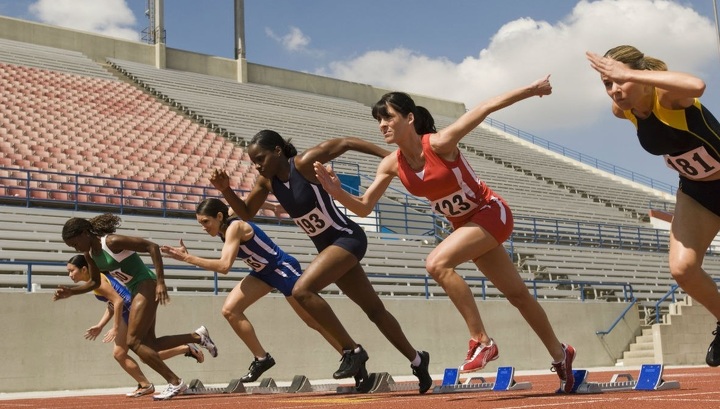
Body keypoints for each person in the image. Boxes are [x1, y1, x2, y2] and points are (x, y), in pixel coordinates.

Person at [312, 76, 576, 393]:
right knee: (517, 295)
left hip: (490, 212)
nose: (382, 125)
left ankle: (481, 341)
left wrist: (531, 90)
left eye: (389, 117)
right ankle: (561, 355)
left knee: (436, 263)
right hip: (466, 227)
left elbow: (485, 107)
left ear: (409, 118)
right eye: (379, 120)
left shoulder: (440, 144)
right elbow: (365, 207)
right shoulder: (391, 165)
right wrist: (336, 191)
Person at [210, 131, 433, 394]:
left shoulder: (304, 164)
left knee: (301, 290)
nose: (258, 165)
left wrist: (394, 157)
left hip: (347, 238)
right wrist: (226, 190)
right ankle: (418, 360)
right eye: (253, 162)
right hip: (330, 248)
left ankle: (353, 351)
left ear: (278, 151)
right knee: (375, 311)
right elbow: (246, 213)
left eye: (261, 158)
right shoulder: (266, 182)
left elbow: (347, 142)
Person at [586, 45, 720, 366]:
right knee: (682, 269)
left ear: (644, 77)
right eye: (608, 84)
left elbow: (697, 85)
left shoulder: (668, 97)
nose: (615, 90)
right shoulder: (624, 111)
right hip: (696, 193)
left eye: (620, 80)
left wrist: (629, 73)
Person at [160, 198, 342, 382]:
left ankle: (349, 353)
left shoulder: (235, 227)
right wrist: (273, 207)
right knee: (230, 310)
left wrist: (187, 258)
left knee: (314, 321)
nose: (204, 228)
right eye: (200, 224)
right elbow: (246, 201)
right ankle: (262, 358)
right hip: (262, 273)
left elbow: (224, 266)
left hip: (282, 269)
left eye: (206, 222)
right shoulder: (225, 216)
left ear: (219, 216)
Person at [55, 213, 219, 400]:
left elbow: (152, 247)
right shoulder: (90, 254)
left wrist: (160, 282)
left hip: (146, 284)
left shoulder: (111, 242)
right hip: (135, 289)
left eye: (75, 243)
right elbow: (93, 283)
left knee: (133, 342)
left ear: (84, 233)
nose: (75, 248)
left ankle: (175, 382)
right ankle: (198, 337)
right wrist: (72, 291)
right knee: (151, 345)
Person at [66, 255, 204, 397]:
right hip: (128, 312)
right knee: (121, 354)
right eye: (68, 272)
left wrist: (115, 327)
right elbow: (112, 304)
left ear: (84, 269)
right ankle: (146, 385)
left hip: (133, 311)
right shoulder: (95, 281)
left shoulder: (98, 280)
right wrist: (100, 325)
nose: (70, 275)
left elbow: (118, 301)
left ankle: (187, 348)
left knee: (144, 353)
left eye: (72, 271)